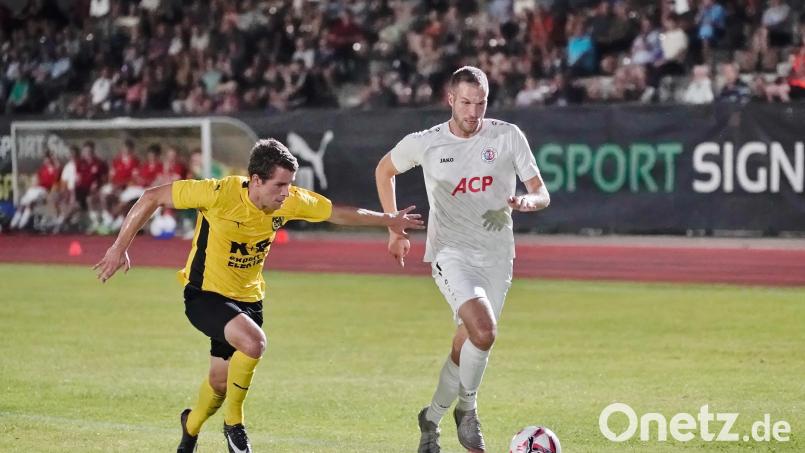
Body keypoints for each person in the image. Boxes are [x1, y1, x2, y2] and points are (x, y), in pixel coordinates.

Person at [94, 138, 424, 453]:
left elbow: (337, 214)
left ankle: (190, 428)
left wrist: (388, 220)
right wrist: (118, 248)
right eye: (279, 185)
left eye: (289, 184)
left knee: (219, 385)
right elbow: (152, 196)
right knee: (255, 343)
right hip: (205, 295)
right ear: (254, 180)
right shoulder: (217, 193)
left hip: (249, 300)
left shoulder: (291, 199)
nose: (286, 193)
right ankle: (234, 425)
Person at [375, 66, 550, 453]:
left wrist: (527, 202)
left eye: (481, 103)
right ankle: (467, 410)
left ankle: (432, 418)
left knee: (467, 343)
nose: (474, 112)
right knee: (484, 332)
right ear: (450, 99)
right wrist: (394, 228)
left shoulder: (507, 136)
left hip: (498, 256)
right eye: (466, 102)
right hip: (450, 252)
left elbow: (542, 193)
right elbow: (384, 170)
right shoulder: (428, 143)